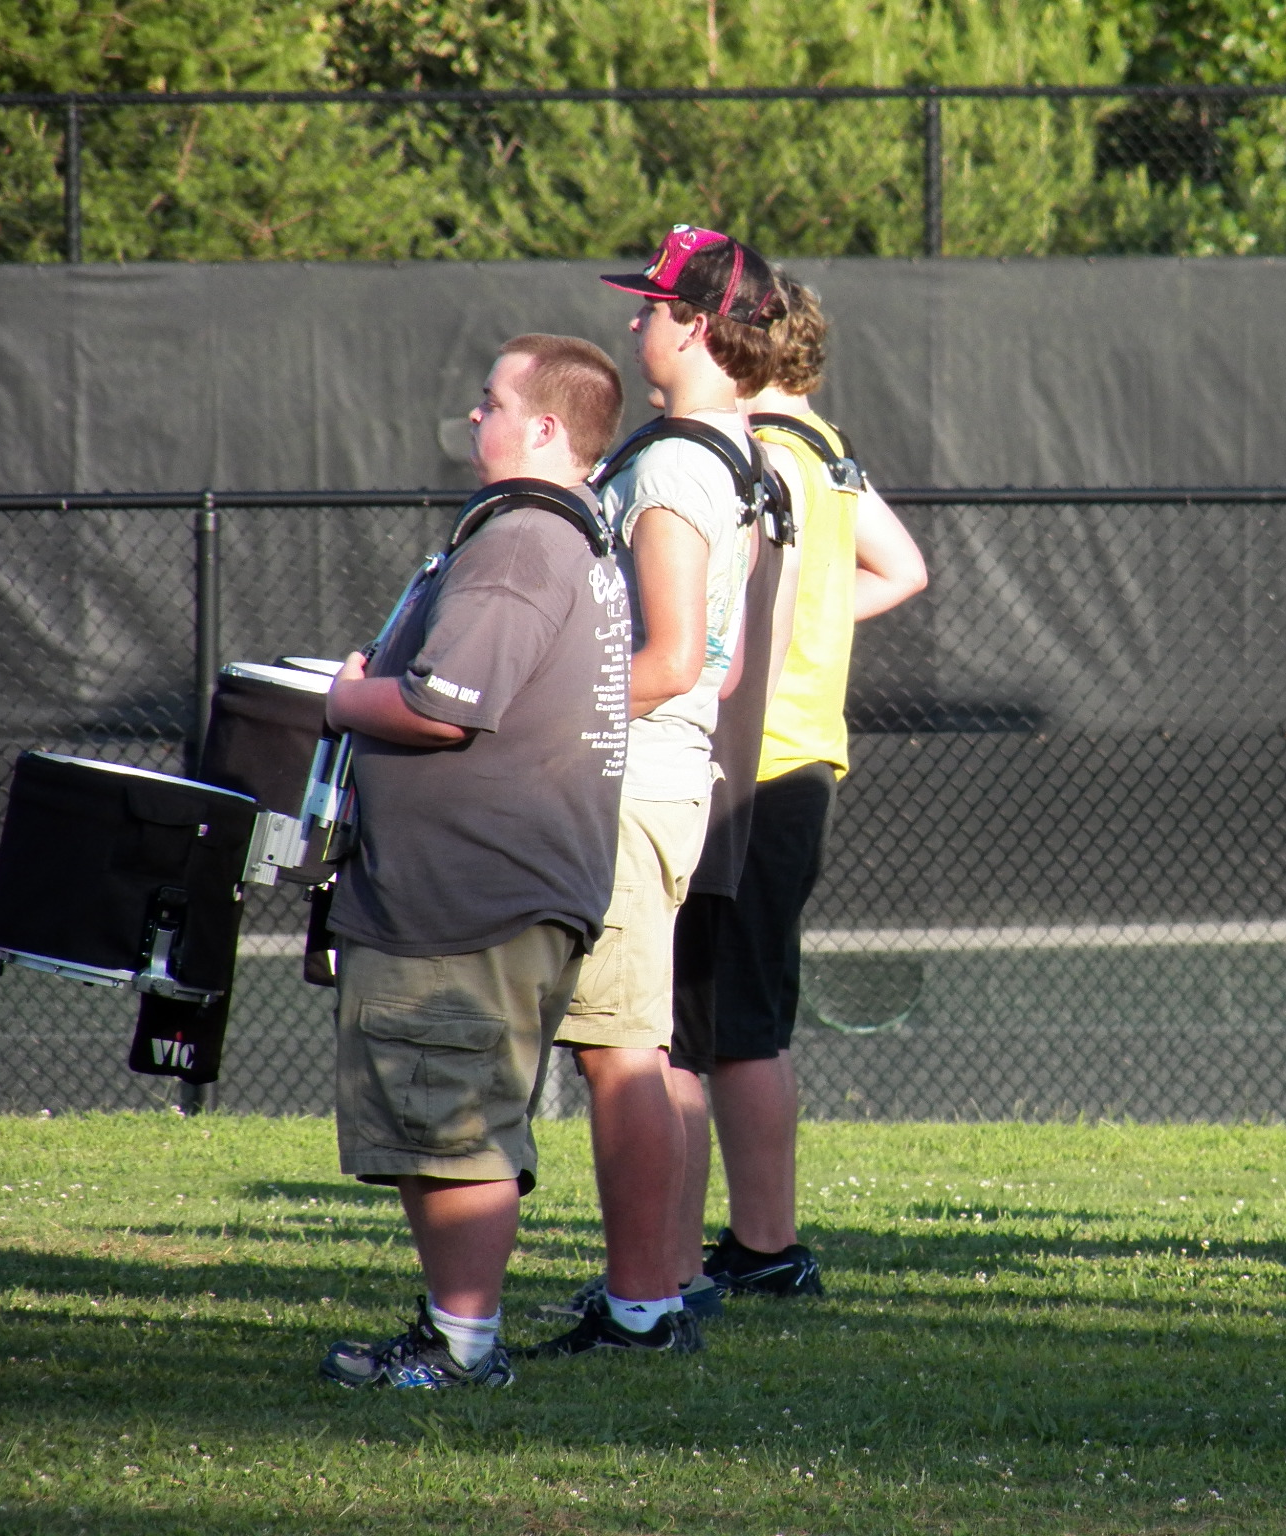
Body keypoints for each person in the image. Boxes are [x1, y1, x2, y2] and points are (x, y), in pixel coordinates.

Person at [316, 334, 630, 1389]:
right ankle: (452, 1333)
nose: (472, 416)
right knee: (431, 1120)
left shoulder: (523, 539)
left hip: (473, 897)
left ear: (543, 427)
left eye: (490, 400)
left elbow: (444, 708)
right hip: (486, 890)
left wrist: (338, 695)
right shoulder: (555, 536)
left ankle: (462, 1348)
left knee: (453, 1122)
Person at [534, 225, 786, 1358]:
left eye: (648, 307)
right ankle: (659, 1283)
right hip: (669, 773)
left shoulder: (681, 462)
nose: (632, 321)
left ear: (694, 323)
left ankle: (643, 1306)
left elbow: (679, 658)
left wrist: (532, 726)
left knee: (619, 1052)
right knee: (644, 1044)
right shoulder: (724, 448)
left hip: (638, 778)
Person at [672, 274, 927, 1299]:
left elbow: (737, 614)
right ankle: (759, 1247)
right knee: (751, 1013)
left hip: (751, 758)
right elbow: (901, 568)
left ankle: (745, 1252)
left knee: (710, 1024)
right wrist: (815, 627)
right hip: (804, 753)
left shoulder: (760, 453)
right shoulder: (827, 450)